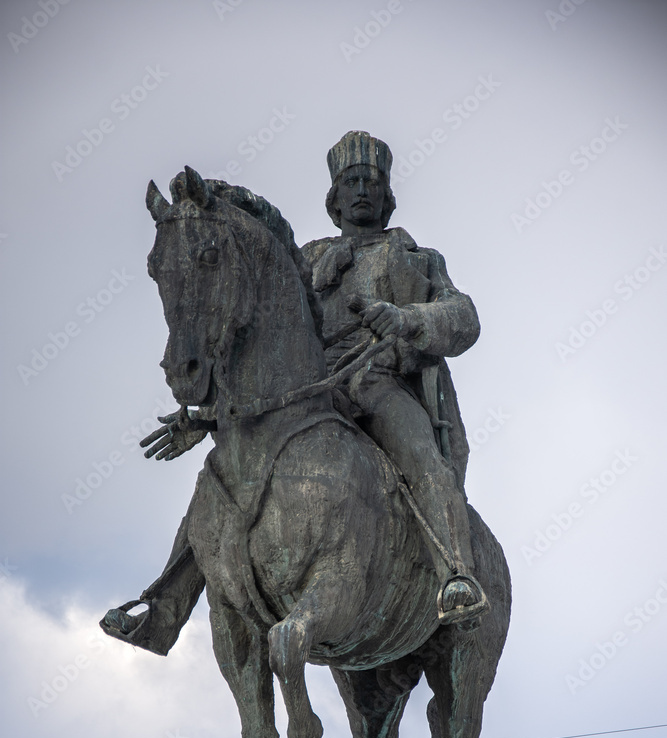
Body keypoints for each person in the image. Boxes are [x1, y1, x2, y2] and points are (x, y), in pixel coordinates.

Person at [102, 131, 486, 653]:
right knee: (221, 481)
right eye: (350, 182)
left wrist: (404, 319)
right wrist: (209, 415)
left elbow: (462, 318)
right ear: (333, 196)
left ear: (387, 194)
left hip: (377, 384)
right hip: (304, 394)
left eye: (371, 182)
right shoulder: (306, 258)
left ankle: (456, 577)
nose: (361, 191)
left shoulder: (416, 258)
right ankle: (165, 608)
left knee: (422, 459)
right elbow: (259, 336)